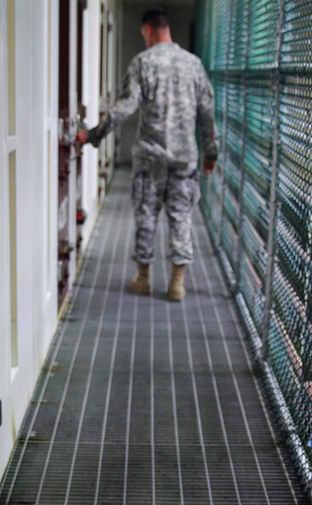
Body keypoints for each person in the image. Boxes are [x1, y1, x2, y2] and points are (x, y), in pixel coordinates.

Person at [76, 8, 218, 301]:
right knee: (181, 218)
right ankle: (177, 283)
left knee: (146, 217)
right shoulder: (193, 64)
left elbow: (125, 107)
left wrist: (93, 135)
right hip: (184, 158)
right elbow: (207, 113)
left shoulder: (142, 62)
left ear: (148, 30)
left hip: (150, 158)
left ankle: (143, 279)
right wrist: (211, 154)